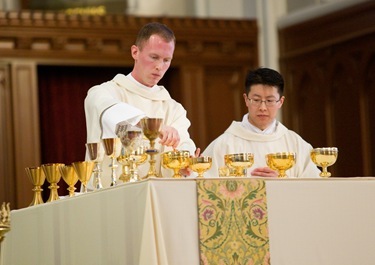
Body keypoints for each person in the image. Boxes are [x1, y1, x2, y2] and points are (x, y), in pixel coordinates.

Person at [84, 22, 197, 188]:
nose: (160, 66)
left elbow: (183, 143)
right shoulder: (106, 92)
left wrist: (185, 161)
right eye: (154, 57)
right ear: (135, 52)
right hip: (115, 194)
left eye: (167, 60)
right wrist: (153, 126)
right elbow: (105, 109)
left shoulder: (173, 109)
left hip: (156, 194)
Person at [202, 67, 320, 178]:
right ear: (246, 100)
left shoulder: (296, 144)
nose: (263, 107)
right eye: (256, 100)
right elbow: (205, 190)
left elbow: (313, 188)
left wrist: (282, 183)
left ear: (281, 102)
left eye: (270, 100)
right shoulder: (223, 145)